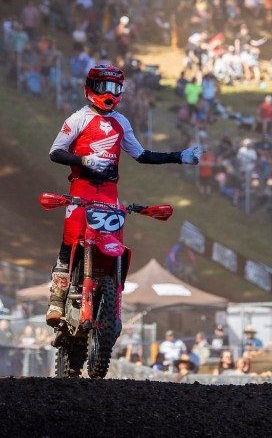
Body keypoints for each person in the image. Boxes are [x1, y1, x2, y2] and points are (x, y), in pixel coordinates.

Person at [45, 63, 203, 326]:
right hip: (82, 187)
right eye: (103, 87)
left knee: (112, 239)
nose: (109, 93)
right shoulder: (78, 118)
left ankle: (111, 301)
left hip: (109, 192)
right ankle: (57, 300)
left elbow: (141, 154)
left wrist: (179, 157)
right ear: (90, 88)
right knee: (71, 237)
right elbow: (55, 151)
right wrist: (84, 160)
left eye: (115, 88)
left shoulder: (121, 121)